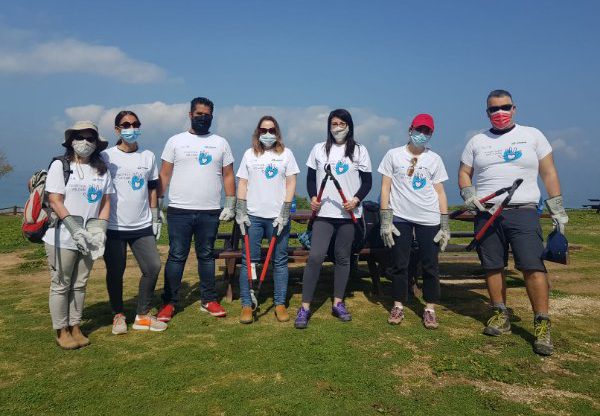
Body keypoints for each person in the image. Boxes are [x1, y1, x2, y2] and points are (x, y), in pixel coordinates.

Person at [458, 89, 568, 356]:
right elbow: (464, 172)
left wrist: (556, 206)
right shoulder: (476, 141)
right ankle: (500, 314)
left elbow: (549, 172)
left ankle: (542, 323)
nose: (499, 113)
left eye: (504, 107)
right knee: (492, 266)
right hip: (487, 213)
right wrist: (469, 194)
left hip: (523, 211)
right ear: (487, 112)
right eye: (493, 109)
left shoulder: (533, 135)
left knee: (533, 266)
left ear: (514, 108)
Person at [157, 97, 236, 321]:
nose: (203, 118)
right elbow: (164, 174)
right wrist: (157, 205)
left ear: (212, 116)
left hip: (209, 210)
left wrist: (231, 202)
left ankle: (208, 299)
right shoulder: (175, 141)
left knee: (206, 256)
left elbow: (228, 174)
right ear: (190, 115)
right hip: (179, 210)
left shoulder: (220, 142)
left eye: (207, 115)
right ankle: (169, 302)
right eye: (199, 114)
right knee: (176, 255)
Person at [295, 109, 372, 329]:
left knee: (342, 258)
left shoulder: (359, 150)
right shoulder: (318, 149)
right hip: (323, 215)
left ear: (349, 126)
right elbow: (311, 179)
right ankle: (305, 307)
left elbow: (367, 182)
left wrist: (356, 200)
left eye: (341, 124)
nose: (337, 128)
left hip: (348, 215)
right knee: (315, 257)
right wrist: (312, 197)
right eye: (334, 124)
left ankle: (338, 302)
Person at [43, 121, 113, 349]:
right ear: (71, 141)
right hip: (61, 237)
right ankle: (61, 330)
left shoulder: (101, 169)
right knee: (61, 284)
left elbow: (106, 201)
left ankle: (75, 325)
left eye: (90, 138)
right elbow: (55, 200)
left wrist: (100, 230)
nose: (84, 142)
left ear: (96, 143)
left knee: (80, 284)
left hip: (89, 238)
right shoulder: (60, 166)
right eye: (79, 137)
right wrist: (75, 229)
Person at [378, 114, 449, 329]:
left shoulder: (434, 159)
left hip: (429, 217)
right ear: (410, 129)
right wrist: (385, 219)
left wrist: (444, 223)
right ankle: (398, 304)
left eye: (427, 131)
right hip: (400, 216)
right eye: (419, 129)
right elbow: (385, 188)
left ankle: (429, 308)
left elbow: (440, 192)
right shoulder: (393, 155)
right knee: (400, 264)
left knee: (430, 264)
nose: (422, 134)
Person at [101, 111, 167, 334]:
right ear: (117, 129)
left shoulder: (147, 156)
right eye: (126, 125)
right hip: (114, 226)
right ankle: (118, 314)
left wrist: (155, 215)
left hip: (142, 225)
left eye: (135, 124)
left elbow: (152, 189)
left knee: (153, 267)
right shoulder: (107, 157)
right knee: (115, 272)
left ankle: (142, 315)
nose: (131, 128)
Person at [235, 116, 299, 324]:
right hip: (253, 217)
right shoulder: (249, 154)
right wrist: (240, 209)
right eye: (263, 130)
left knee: (280, 261)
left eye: (271, 130)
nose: (268, 134)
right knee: (250, 261)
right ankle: (247, 304)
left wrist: (285, 211)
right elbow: (242, 183)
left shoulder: (286, 154)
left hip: (278, 218)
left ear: (277, 132)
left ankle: (280, 303)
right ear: (258, 132)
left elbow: (291, 183)